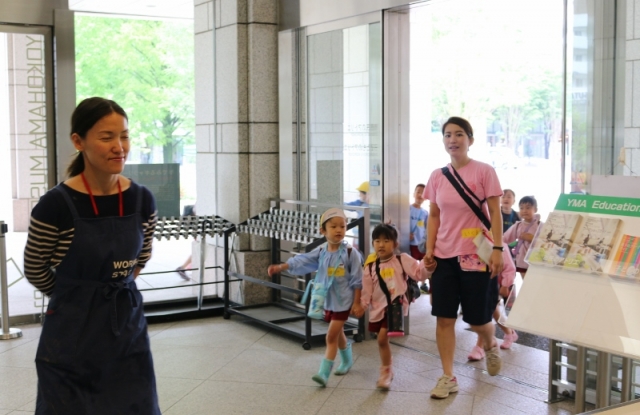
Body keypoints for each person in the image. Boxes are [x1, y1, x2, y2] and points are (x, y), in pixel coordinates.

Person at [23, 97, 160, 414]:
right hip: (72, 331)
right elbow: (35, 267)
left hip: (126, 325)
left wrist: (112, 287)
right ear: (78, 141)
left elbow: (142, 257)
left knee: (133, 404)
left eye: (124, 135)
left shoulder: (141, 199)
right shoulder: (56, 205)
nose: (119, 146)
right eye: (106, 137)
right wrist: (73, 295)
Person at [422, 116, 505, 399]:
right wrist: (429, 249)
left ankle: (490, 343)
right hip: (444, 257)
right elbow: (434, 215)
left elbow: (495, 212)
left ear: (470, 139)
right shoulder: (437, 176)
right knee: (443, 318)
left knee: (477, 317)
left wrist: (497, 249)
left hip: (476, 253)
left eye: (459, 134)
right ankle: (448, 376)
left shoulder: (484, 172)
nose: (452, 140)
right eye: (447, 135)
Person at [267, 208, 364, 387]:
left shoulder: (351, 253)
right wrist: (281, 267)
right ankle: (347, 359)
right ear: (323, 231)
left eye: (342, 226)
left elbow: (358, 280)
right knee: (338, 332)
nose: (338, 230)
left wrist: (357, 302)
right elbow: (302, 260)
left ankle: (323, 373)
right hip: (327, 300)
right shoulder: (322, 252)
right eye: (333, 226)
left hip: (344, 302)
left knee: (331, 336)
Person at [361, 224, 433, 390]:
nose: (381, 244)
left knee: (381, 338)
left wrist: (427, 265)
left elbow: (418, 273)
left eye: (386, 240)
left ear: (395, 244)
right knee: (381, 341)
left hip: (395, 307)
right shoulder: (371, 266)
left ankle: (385, 373)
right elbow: (367, 289)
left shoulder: (402, 260)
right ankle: (388, 369)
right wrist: (362, 305)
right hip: (377, 309)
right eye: (377, 240)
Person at [467, 248, 518, 361]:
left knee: (485, 314)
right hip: (480, 284)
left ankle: (479, 347)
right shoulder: (474, 240)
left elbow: (509, 268)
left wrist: (505, 285)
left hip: (494, 285)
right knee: (494, 312)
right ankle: (509, 332)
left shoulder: (499, 245)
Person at [504, 196, 542, 279]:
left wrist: (532, 239)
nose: (524, 211)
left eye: (528, 208)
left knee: (535, 284)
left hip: (537, 261)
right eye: (521, 208)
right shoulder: (517, 225)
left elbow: (546, 244)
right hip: (522, 261)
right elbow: (504, 239)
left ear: (535, 209)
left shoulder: (541, 225)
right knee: (525, 285)